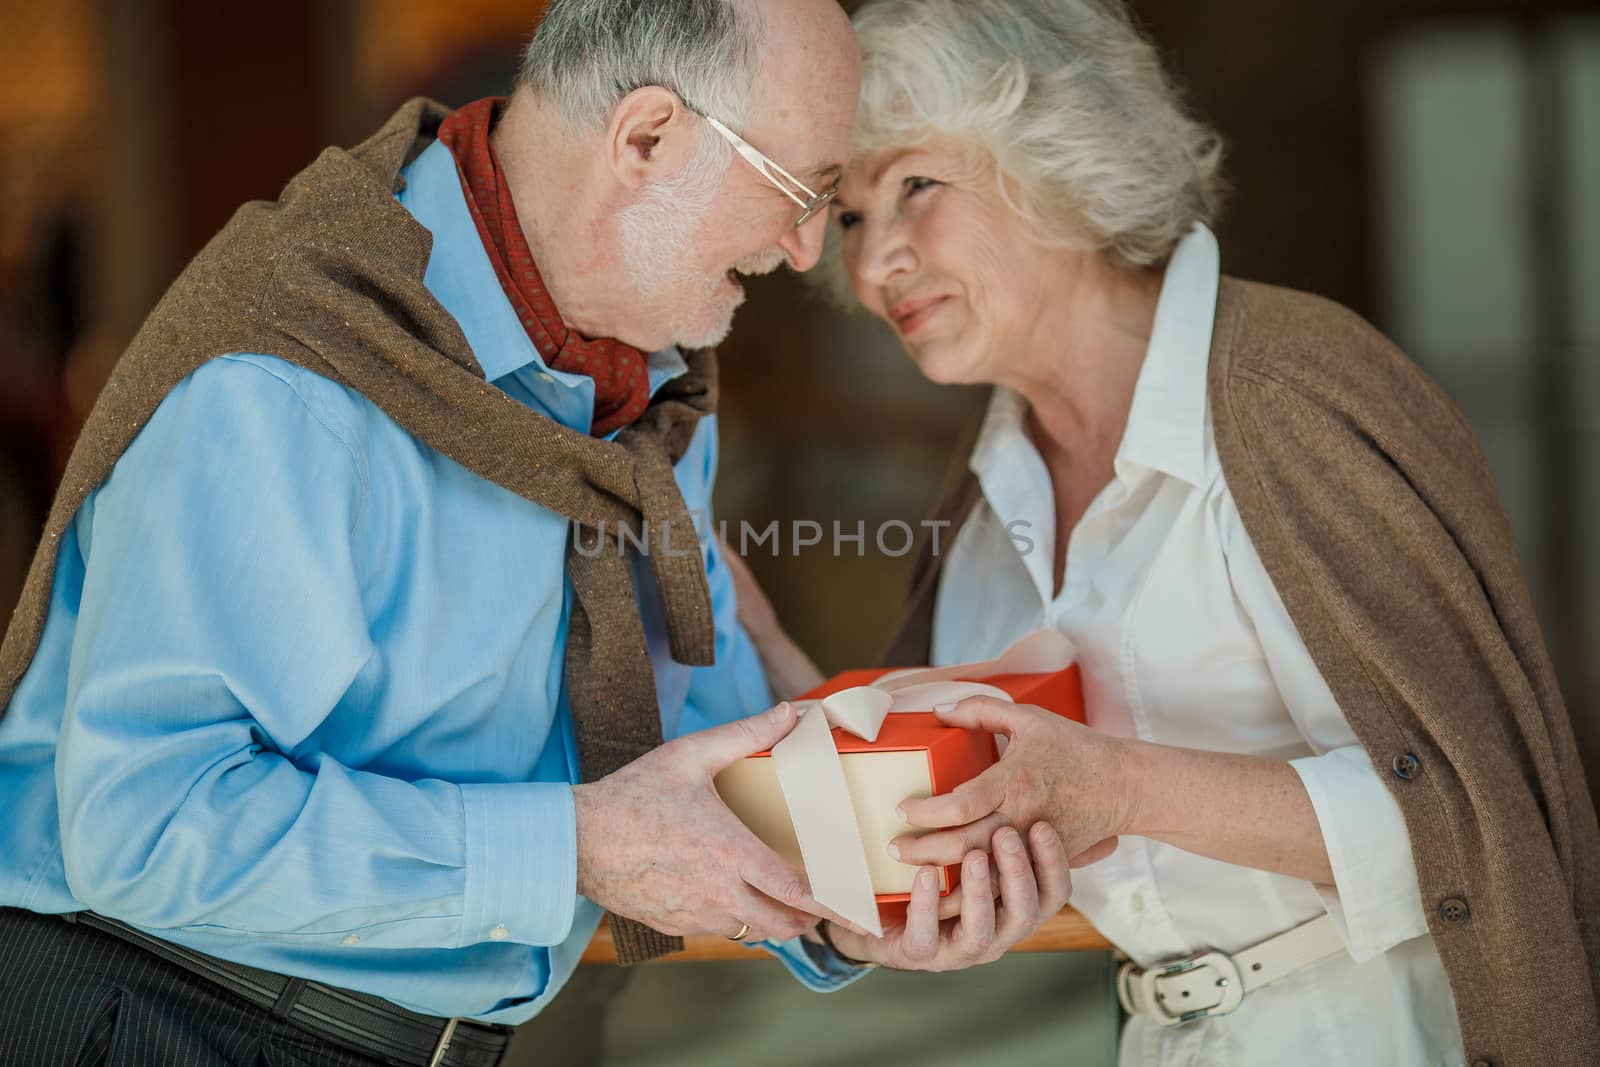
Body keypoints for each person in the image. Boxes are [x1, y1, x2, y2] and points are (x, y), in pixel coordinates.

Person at [0, 2, 1068, 1065]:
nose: (801, 252)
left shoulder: (648, 388)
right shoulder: (289, 381)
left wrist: (847, 896)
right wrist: (579, 844)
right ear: (648, 137)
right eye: (802, 193)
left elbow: (703, 752)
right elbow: (139, 823)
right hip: (151, 1015)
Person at [785, 0, 1600, 1063]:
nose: (875, 258)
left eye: (915, 186)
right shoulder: (983, 490)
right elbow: (989, 820)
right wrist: (918, 907)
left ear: (1055, 159)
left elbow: (1483, 814)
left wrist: (1121, 786)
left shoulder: (1291, 389)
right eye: (848, 215)